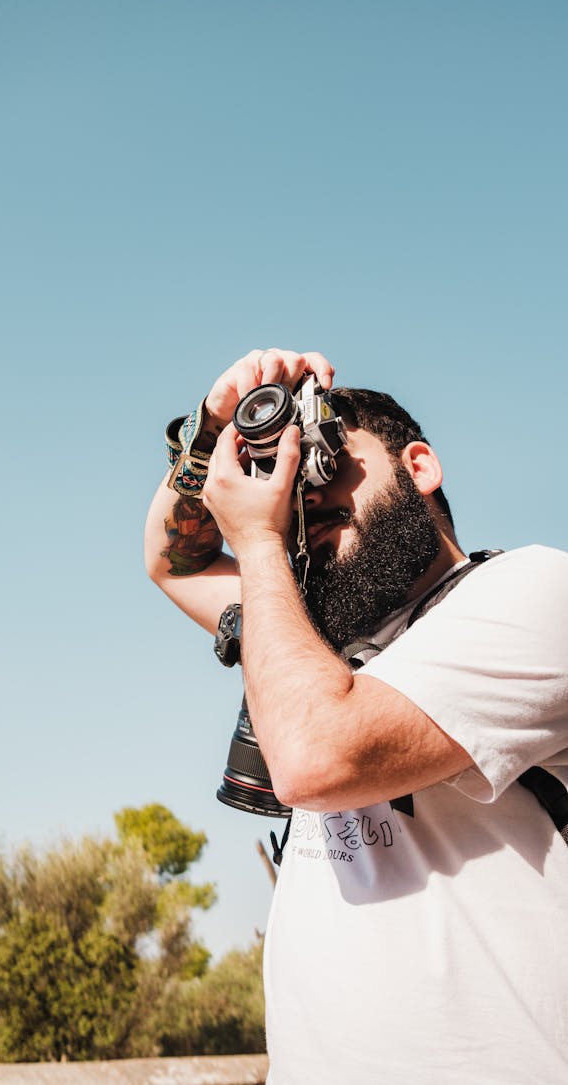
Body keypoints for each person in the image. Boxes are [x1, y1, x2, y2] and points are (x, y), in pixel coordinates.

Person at [144, 348, 568, 1084]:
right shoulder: (308, 645)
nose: (308, 486)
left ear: (421, 467)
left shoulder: (534, 591)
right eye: (293, 470)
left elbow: (313, 756)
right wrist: (212, 434)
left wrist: (261, 540)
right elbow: (174, 560)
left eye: (331, 454)